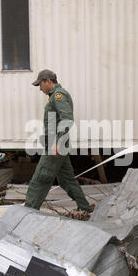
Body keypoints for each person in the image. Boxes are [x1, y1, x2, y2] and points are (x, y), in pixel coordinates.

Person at [24, 69, 92, 213]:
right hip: (58, 143)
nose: (40, 88)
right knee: (66, 180)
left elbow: (67, 119)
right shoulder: (54, 96)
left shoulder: (58, 96)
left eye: (40, 85)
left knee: (41, 177)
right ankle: (85, 208)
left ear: (48, 81)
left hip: (57, 143)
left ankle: (28, 211)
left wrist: (58, 142)